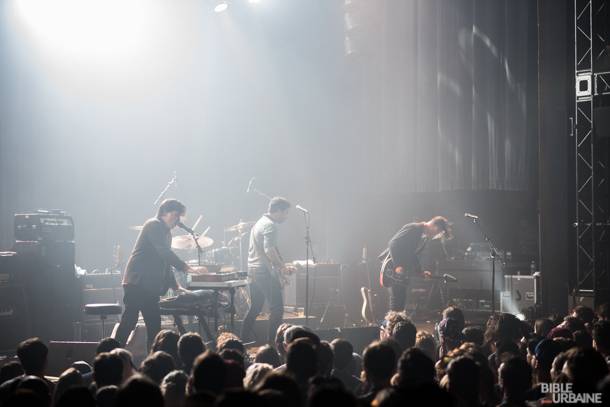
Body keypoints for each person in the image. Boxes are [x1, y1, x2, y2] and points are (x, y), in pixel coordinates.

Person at [115, 199, 194, 349]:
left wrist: (176, 285)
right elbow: (164, 253)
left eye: (179, 217)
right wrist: (185, 267)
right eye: (176, 215)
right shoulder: (154, 225)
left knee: (154, 326)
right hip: (137, 282)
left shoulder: (166, 233)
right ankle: (111, 358)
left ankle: (152, 363)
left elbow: (165, 262)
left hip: (149, 286)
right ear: (165, 212)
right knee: (129, 321)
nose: (177, 220)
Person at [241, 197, 292, 344]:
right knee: (277, 308)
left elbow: (268, 250)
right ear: (278, 211)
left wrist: (281, 267)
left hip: (253, 270)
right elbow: (269, 250)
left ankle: (242, 342)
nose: (286, 217)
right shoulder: (270, 225)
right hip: (263, 272)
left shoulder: (259, 223)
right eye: (286, 213)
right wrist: (282, 267)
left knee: (255, 307)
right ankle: (273, 345)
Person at [380, 216, 452, 311]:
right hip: (393, 267)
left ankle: (396, 323)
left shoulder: (422, 237)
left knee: (400, 300)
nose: (435, 236)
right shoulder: (414, 228)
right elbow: (393, 243)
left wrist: (420, 272)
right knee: (397, 299)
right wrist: (398, 265)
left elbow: (412, 255)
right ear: (435, 226)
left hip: (402, 271)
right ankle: (392, 323)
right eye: (437, 233)